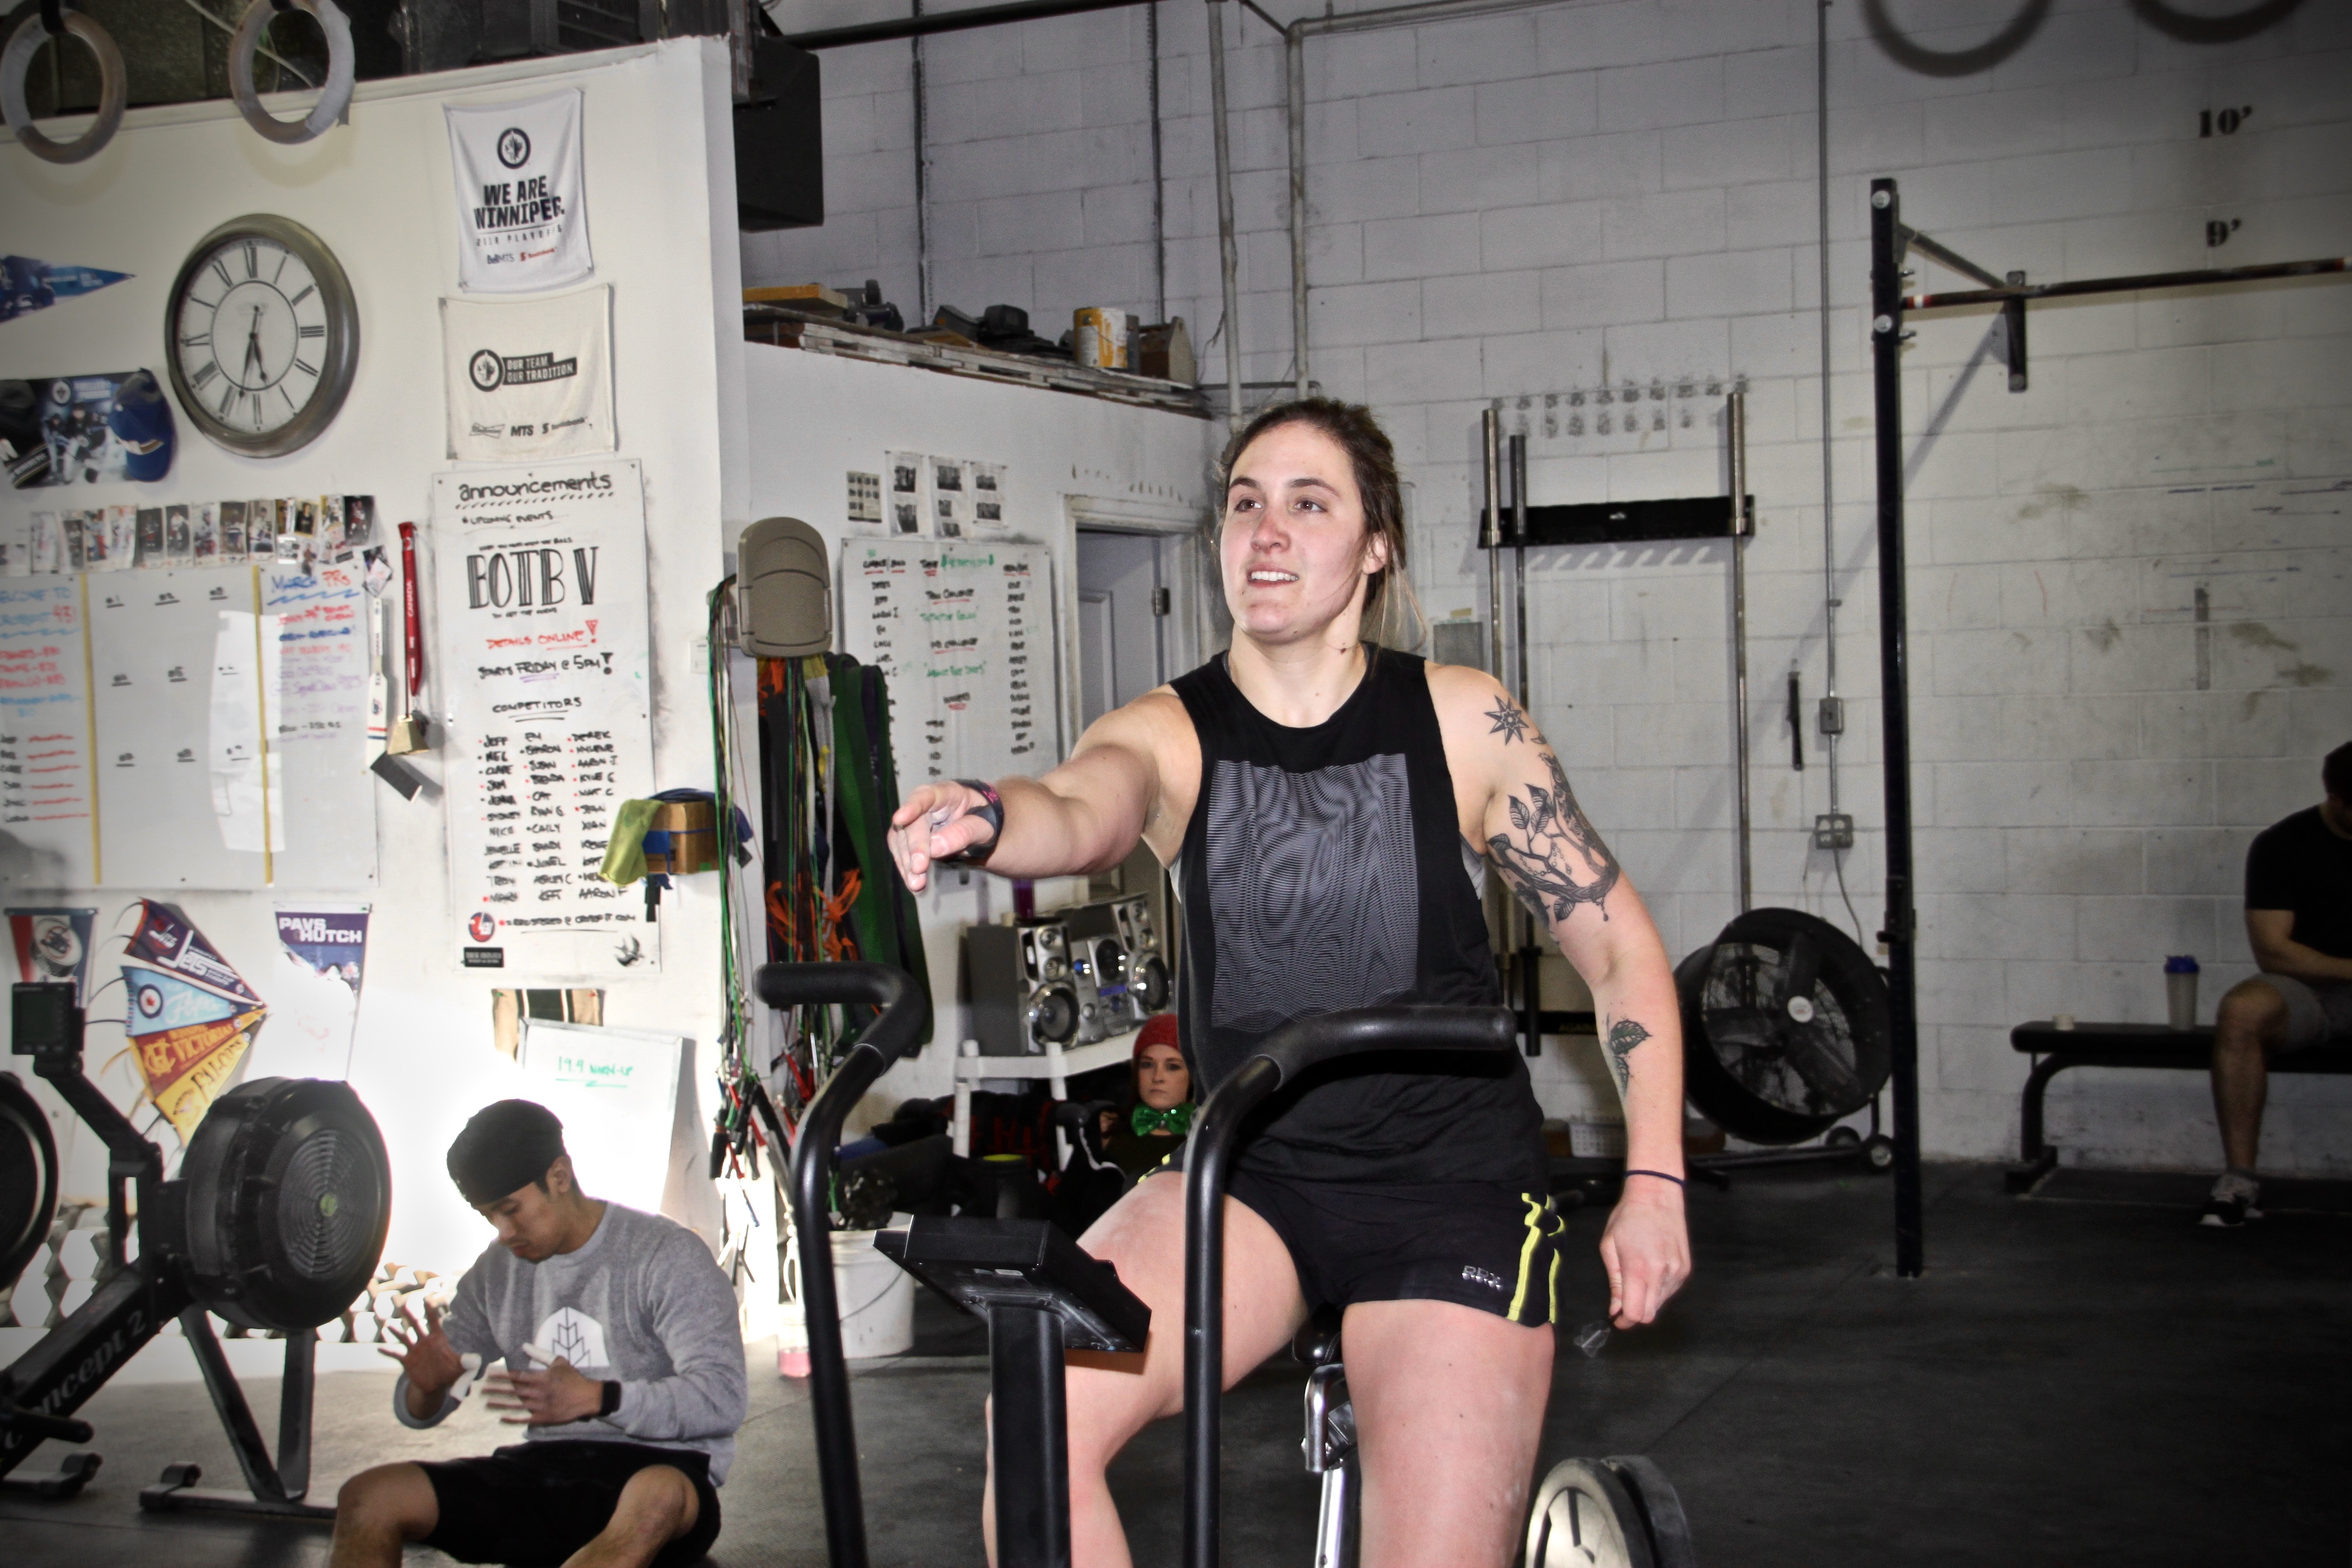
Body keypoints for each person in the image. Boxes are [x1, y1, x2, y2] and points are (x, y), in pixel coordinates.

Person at [888, 397, 1691, 1568]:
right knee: (1033, 1411)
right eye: (1244, 503)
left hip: (1449, 1190)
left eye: (1308, 504)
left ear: (1375, 546)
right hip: (1249, 1181)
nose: (1265, 531)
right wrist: (991, 814)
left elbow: (1617, 950)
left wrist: (1656, 1178)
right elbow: (1078, 803)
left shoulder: (1463, 719)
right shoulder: (1169, 732)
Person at [331, 1100, 748, 1568]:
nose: (504, 1231)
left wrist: (602, 1398)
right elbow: (420, 1412)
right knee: (369, 1496)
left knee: (657, 1496)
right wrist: (426, 1390)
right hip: (545, 1471)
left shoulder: (665, 1255)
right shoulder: (496, 1272)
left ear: (559, 1177)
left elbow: (722, 1397)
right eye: (489, 1216)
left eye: (511, 1210)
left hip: (660, 1469)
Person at [2204, 740, 2352, 1227]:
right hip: (2310, 990)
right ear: (2335, 797)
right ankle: (2240, 1181)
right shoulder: (2283, 845)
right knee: (2241, 1011)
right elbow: (2273, 951)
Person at [1100, 1013, 1194, 1180]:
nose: (1158, 1077)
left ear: (1193, 1075)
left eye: (1173, 1067)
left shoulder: (1211, 1138)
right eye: (1148, 1065)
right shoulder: (1107, 1130)